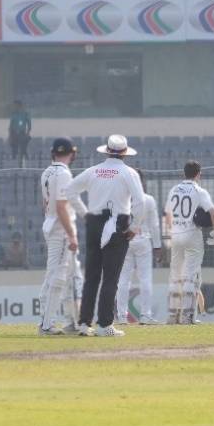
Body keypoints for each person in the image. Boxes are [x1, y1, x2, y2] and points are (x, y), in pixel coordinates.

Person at [58, 135, 147, 337]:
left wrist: (85, 215)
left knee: (92, 276)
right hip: (117, 224)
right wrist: (134, 226)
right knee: (111, 277)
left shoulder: (94, 170)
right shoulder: (129, 173)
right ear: (124, 153)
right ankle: (105, 324)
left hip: (95, 223)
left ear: (107, 151)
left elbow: (70, 190)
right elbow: (139, 202)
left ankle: (83, 322)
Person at [38, 137, 87, 336]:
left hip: (51, 226)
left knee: (70, 276)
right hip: (60, 230)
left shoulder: (47, 171)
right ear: (71, 153)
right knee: (57, 277)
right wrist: (71, 234)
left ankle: (71, 321)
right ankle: (46, 324)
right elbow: (61, 207)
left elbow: (46, 204)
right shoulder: (64, 174)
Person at [165, 161, 214, 324]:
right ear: (199, 174)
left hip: (176, 235)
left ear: (184, 173)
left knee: (175, 276)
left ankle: (172, 315)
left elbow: (167, 214)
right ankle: (187, 316)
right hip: (192, 235)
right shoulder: (199, 191)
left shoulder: (174, 190)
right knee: (190, 276)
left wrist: (172, 230)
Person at [116, 170, 161, 325]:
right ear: (142, 182)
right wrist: (157, 246)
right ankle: (145, 315)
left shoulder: (122, 199)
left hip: (125, 240)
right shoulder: (148, 199)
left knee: (123, 279)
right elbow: (154, 225)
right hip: (143, 239)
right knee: (145, 278)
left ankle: (122, 316)